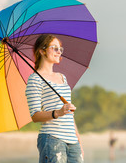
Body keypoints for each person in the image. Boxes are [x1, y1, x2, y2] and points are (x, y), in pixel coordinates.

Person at [25, 34, 84, 163]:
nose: (59, 52)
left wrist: (78, 138)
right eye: (54, 48)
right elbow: (35, 116)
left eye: (60, 49)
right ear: (42, 50)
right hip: (52, 139)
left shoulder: (62, 77)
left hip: (72, 141)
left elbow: (69, 114)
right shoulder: (35, 79)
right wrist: (58, 112)